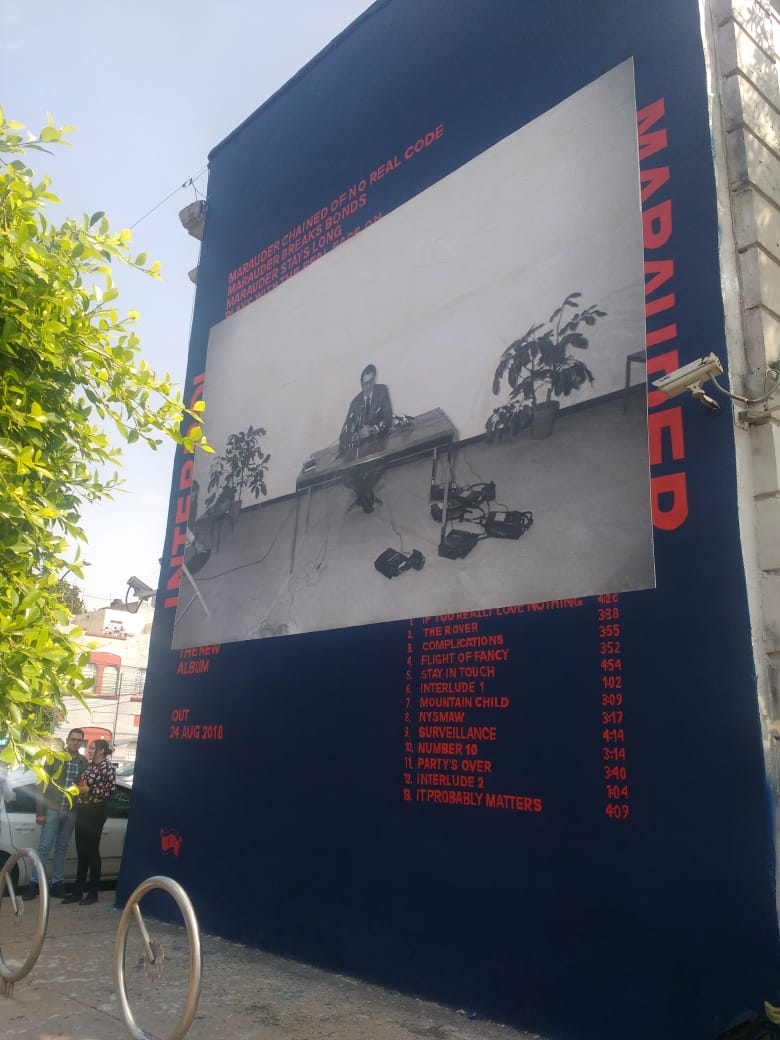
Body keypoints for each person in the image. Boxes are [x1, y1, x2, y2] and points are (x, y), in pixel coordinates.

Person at [25, 728, 86, 900]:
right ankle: (33, 884)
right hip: (52, 809)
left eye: (78, 740)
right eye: (73, 739)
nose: (75, 742)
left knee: (62, 848)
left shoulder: (83, 762)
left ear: (81, 742)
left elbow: (82, 785)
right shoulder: (56, 757)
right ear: (67, 740)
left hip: (70, 811)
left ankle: (57, 884)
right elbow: (41, 783)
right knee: (44, 847)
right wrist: (40, 811)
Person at [62, 739, 116, 906]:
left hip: (96, 812)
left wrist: (90, 790)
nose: (89, 750)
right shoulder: (90, 766)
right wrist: (80, 788)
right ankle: (77, 892)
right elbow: (81, 784)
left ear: (101, 750)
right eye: (90, 748)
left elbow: (110, 792)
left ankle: (93, 892)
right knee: (82, 851)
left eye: (92, 748)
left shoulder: (107, 768)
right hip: (83, 810)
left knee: (92, 851)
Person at [339, 364, 393, 512]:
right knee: (346, 473)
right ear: (361, 382)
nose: (367, 386)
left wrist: (372, 429)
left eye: (370, 382)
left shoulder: (382, 391)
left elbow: (388, 418)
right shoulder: (355, 403)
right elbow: (344, 433)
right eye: (364, 383)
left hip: (379, 442)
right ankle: (366, 494)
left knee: (375, 466)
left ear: (374, 380)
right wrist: (354, 435)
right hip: (361, 449)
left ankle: (363, 496)